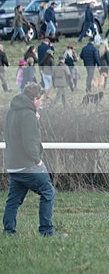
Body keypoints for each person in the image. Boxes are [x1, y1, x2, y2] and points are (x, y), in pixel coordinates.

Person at [3, 82, 57, 236]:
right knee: (48, 192)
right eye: (41, 100)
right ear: (34, 99)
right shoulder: (28, 115)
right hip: (27, 164)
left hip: (13, 164)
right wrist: (37, 160)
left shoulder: (12, 112)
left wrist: (35, 118)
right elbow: (30, 141)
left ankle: (8, 230)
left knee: (13, 200)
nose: (42, 103)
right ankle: (46, 231)